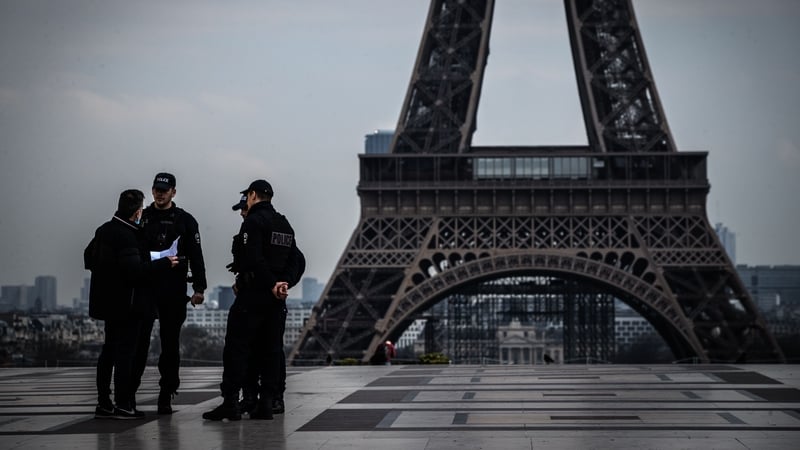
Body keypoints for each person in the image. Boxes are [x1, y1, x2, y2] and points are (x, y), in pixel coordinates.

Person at [203, 179, 302, 421]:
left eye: (247, 196)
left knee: (237, 348)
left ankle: (230, 403)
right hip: (276, 300)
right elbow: (297, 261)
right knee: (271, 350)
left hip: (253, 296)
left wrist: (268, 284)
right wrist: (283, 284)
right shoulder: (284, 224)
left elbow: (253, 260)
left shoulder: (253, 222)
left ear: (253, 195)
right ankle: (266, 403)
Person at [84, 189, 178, 419]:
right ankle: (124, 403)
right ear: (137, 212)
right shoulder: (127, 235)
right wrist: (165, 263)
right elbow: (135, 271)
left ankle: (104, 403)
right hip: (127, 303)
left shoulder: (104, 230)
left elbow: (88, 258)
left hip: (106, 302)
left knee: (108, 352)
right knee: (126, 354)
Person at [134, 172, 207, 415]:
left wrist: (199, 288)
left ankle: (166, 392)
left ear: (173, 192)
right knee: (140, 343)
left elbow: (196, 255)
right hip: (146, 287)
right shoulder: (142, 217)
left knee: (170, 345)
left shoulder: (185, 221)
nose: (160, 193)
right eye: (157, 189)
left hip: (173, 289)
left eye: (164, 190)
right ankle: (130, 392)